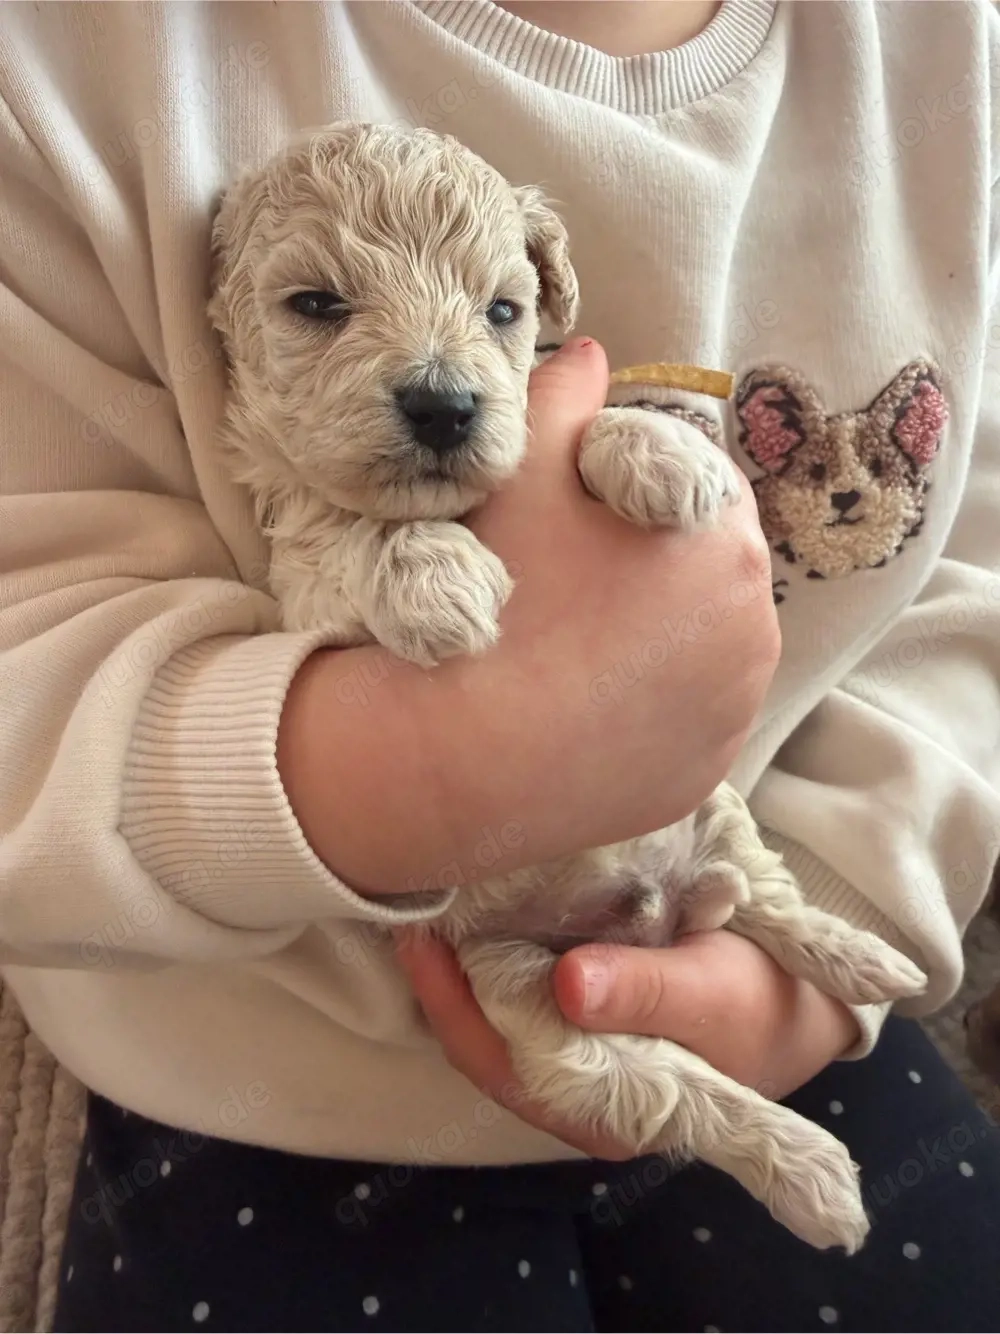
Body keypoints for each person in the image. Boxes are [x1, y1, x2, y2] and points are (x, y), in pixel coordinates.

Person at [1, 0, 999, 1329]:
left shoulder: (951, 49)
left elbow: (961, 581)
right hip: (260, 1071)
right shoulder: (65, 55)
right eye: (315, 303)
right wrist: (422, 762)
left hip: (772, 983)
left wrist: (844, 913)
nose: (440, 379)